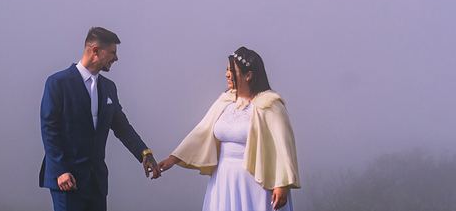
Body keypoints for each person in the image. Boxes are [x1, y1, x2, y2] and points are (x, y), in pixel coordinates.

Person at [157, 47, 299, 211]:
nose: (227, 74)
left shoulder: (270, 106)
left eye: (232, 71)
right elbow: (202, 132)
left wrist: (281, 184)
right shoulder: (224, 103)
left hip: (256, 181)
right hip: (223, 179)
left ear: (248, 75)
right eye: (227, 70)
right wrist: (174, 158)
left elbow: (283, 147)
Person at [40, 27, 161, 211]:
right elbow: (49, 130)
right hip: (67, 180)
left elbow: (122, 126)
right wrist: (60, 171)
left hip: (97, 183)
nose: (116, 58)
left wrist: (145, 153)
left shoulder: (109, 87)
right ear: (95, 50)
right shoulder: (58, 83)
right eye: (112, 52)